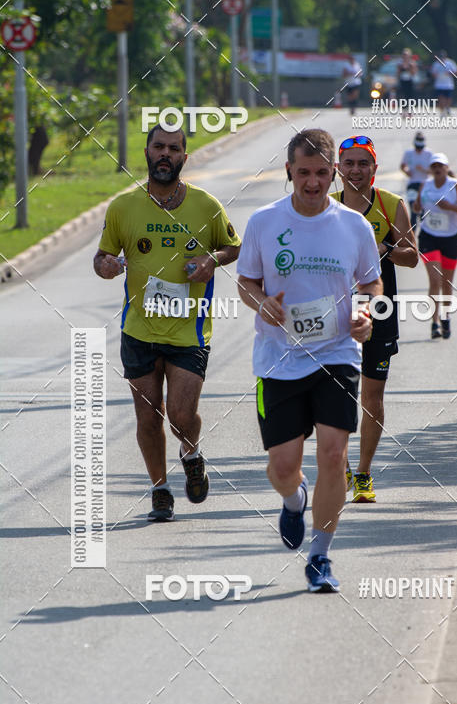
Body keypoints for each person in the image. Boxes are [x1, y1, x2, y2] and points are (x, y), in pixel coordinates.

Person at [236, 128, 382, 592]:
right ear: (289, 172)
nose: (313, 182)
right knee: (282, 468)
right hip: (279, 358)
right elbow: (245, 282)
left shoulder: (354, 226)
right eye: (304, 173)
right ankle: (294, 500)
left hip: (337, 354)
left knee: (334, 455)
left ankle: (320, 557)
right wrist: (261, 303)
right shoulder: (263, 221)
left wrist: (365, 312)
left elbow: (373, 284)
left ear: (333, 173)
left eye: (322, 173)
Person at [94, 125, 240, 521]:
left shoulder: (206, 205)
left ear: (183, 158)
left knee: (179, 415)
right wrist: (106, 266)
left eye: (173, 149)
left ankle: (191, 452)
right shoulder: (123, 207)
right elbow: (102, 257)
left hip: (188, 330)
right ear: (146, 152)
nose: (165, 154)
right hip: (138, 330)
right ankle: (159, 489)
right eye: (158, 146)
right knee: (147, 416)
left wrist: (212, 260)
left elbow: (233, 246)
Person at [333, 135, 418, 503]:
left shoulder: (390, 205)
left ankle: (364, 472)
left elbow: (413, 256)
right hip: (334, 315)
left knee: (372, 396)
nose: (356, 170)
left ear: (374, 168)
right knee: (335, 396)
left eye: (362, 163)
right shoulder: (325, 206)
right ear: (337, 169)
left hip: (379, 312)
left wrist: (384, 248)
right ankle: (341, 467)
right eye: (349, 163)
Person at [413, 152, 457, 339]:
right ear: (431, 170)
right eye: (434, 166)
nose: (438, 169)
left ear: (447, 168)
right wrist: (416, 205)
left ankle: (445, 317)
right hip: (429, 237)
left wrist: (451, 207)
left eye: (441, 166)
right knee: (435, 281)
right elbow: (416, 208)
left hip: (451, 239)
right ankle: (434, 324)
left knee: (447, 283)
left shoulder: (455, 187)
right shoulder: (425, 185)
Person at [400, 131, 434, 231]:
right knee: (413, 212)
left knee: (423, 213)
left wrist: (423, 169)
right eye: (417, 148)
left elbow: (434, 171)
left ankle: (424, 236)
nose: (419, 150)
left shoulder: (429, 153)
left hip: (425, 185)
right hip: (412, 184)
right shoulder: (408, 153)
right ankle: (412, 240)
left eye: (420, 148)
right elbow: (402, 165)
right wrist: (407, 172)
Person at [431, 50, 457, 116]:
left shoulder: (450, 63)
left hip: (448, 84)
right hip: (439, 84)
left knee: (448, 98)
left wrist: (449, 73)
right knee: (441, 98)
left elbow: (456, 71)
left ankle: (447, 108)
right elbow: (433, 73)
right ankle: (442, 110)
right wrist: (435, 75)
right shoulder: (436, 64)